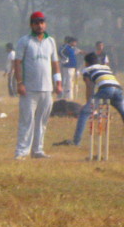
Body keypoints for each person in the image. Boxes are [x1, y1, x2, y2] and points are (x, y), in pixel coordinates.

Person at [13, 11, 61, 160]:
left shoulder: (50, 41)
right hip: (29, 89)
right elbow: (18, 63)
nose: (40, 25)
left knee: (42, 121)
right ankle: (22, 152)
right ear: (31, 25)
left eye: (42, 22)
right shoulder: (25, 41)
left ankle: (37, 150)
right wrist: (20, 83)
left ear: (45, 24)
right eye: (36, 23)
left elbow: (55, 63)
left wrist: (58, 82)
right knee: (27, 121)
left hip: (46, 89)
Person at [54, 53, 124, 149]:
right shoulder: (105, 67)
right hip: (118, 89)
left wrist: (89, 104)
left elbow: (89, 87)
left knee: (84, 112)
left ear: (86, 63)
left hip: (106, 89)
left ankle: (76, 141)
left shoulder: (87, 70)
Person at [59, 36, 78, 100]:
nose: (76, 44)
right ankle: (66, 96)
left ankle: (69, 96)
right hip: (67, 67)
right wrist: (65, 58)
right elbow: (60, 52)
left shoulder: (71, 48)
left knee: (70, 82)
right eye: (75, 42)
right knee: (67, 82)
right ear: (71, 42)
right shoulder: (66, 47)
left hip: (72, 67)